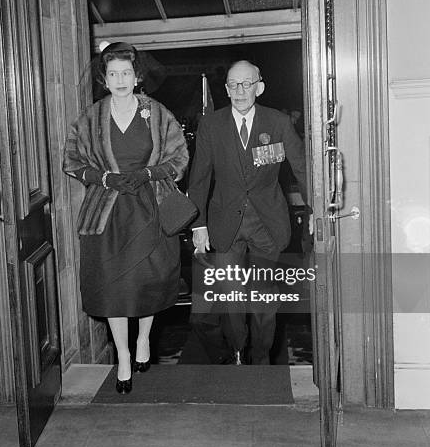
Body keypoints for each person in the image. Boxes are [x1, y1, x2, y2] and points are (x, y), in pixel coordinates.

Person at [63, 42, 188, 393]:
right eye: (113, 74)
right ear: (104, 79)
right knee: (114, 287)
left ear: (138, 77)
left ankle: (144, 339)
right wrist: (104, 177)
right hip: (107, 213)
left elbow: (179, 158)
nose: (120, 79)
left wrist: (149, 174)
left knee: (149, 281)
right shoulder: (90, 118)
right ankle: (122, 355)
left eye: (126, 73)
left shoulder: (157, 113)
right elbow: (72, 161)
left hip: (150, 205)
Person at [188, 60, 310, 365]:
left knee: (264, 298)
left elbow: (302, 169)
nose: (239, 90)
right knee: (231, 296)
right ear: (226, 88)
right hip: (224, 225)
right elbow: (199, 177)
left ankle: (262, 355)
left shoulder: (278, 122)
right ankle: (239, 350)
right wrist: (198, 224)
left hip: (267, 225)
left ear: (259, 87)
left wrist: (314, 212)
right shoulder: (210, 125)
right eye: (233, 84)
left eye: (246, 83)